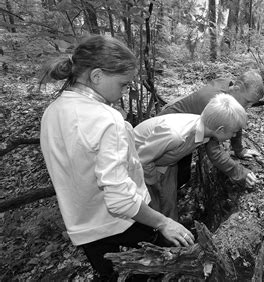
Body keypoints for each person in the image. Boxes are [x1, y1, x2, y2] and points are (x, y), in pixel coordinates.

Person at [39, 35, 194, 281]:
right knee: (151, 266)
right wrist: (164, 222)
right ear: (97, 76)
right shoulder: (107, 120)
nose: (125, 91)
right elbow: (120, 202)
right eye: (123, 84)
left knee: (109, 275)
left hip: (83, 224)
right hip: (126, 221)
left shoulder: (53, 111)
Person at [134, 93, 251, 220]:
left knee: (169, 203)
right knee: (152, 205)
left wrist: (241, 173)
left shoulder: (206, 130)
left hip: (166, 162)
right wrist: (155, 182)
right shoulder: (175, 135)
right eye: (233, 132)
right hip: (140, 165)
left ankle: (171, 232)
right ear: (220, 130)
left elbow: (217, 153)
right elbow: (141, 160)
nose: (234, 136)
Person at [158, 70, 264, 188]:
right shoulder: (212, 102)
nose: (248, 107)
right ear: (237, 87)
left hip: (186, 132)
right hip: (168, 133)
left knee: (183, 175)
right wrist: (239, 173)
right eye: (248, 101)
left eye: (252, 104)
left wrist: (239, 150)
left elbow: (235, 119)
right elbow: (213, 150)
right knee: (168, 176)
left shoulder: (229, 87)